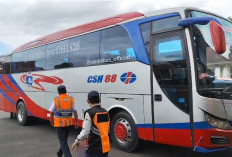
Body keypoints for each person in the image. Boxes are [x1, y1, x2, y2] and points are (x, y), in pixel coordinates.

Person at [72, 91, 110, 157]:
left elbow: (85, 131)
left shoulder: (89, 113)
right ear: (99, 100)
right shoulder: (105, 112)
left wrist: (77, 141)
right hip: (105, 147)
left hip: (93, 148)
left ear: (88, 101)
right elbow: (108, 129)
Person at [50, 85, 79, 157]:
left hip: (59, 125)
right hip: (68, 124)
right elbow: (75, 111)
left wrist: (51, 120)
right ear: (66, 91)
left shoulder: (57, 99)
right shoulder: (71, 99)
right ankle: (59, 153)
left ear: (58, 92)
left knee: (63, 141)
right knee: (64, 141)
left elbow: (51, 111)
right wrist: (76, 122)